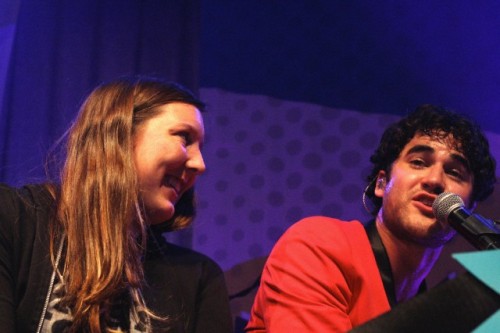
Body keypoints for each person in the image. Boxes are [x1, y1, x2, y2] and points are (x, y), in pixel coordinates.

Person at [0, 77, 233, 332]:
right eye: (184, 138)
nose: (200, 164)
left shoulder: (199, 278)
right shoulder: (12, 220)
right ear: (119, 135)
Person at [245, 104, 497, 332]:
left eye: (454, 173)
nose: (434, 181)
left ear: (470, 206)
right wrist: (473, 298)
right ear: (381, 183)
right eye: (419, 162)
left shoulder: (417, 298)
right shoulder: (318, 244)